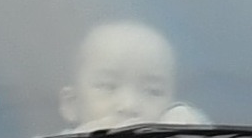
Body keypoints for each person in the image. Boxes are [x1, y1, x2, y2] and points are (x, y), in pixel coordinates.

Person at [59, 19, 203, 132]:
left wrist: (188, 130)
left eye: (153, 91)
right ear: (72, 104)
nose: (129, 106)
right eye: (108, 86)